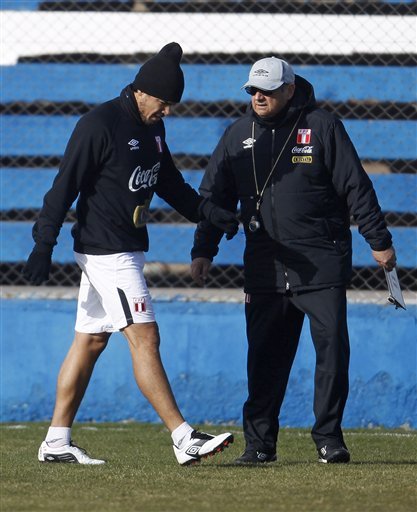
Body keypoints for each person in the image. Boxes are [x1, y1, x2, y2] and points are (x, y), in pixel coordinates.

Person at [23, 42, 238, 466]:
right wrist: (43, 244)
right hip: (109, 253)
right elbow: (63, 187)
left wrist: (209, 213)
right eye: (164, 102)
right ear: (142, 91)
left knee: (90, 341)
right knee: (145, 336)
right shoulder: (98, 124)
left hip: (126, 247)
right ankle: (183, 438)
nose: (168, 111)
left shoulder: (153, 127)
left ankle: (56, 441)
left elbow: (169, 183)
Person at [190, 57, 396, 465]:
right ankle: (259, 444)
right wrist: (203, 249)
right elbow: (214, 196)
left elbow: (356, 185)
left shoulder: (323, 127)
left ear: (289, 89)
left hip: (320, 263)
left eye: (267, 90)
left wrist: (378, 239)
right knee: (263, 359)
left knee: (332, 354)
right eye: (252, 90)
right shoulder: (237, 134)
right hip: (265, 268)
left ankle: (328, 438)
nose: (258, 97)